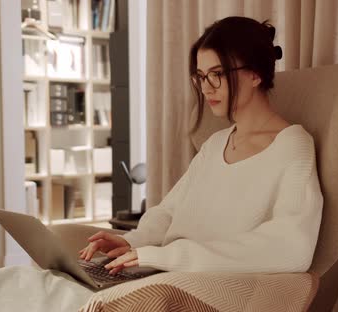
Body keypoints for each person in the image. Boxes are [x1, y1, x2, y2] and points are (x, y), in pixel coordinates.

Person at [79, 16, 324, 276]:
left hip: (200, 286)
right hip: (163, 272)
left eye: (217, 74)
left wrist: (162, 256)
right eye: (200, 76)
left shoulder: (292, 146)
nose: (206, 88)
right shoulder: (216, 144)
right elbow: (170, 211)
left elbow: (291, 247)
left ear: (255, 74)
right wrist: (133, 241)